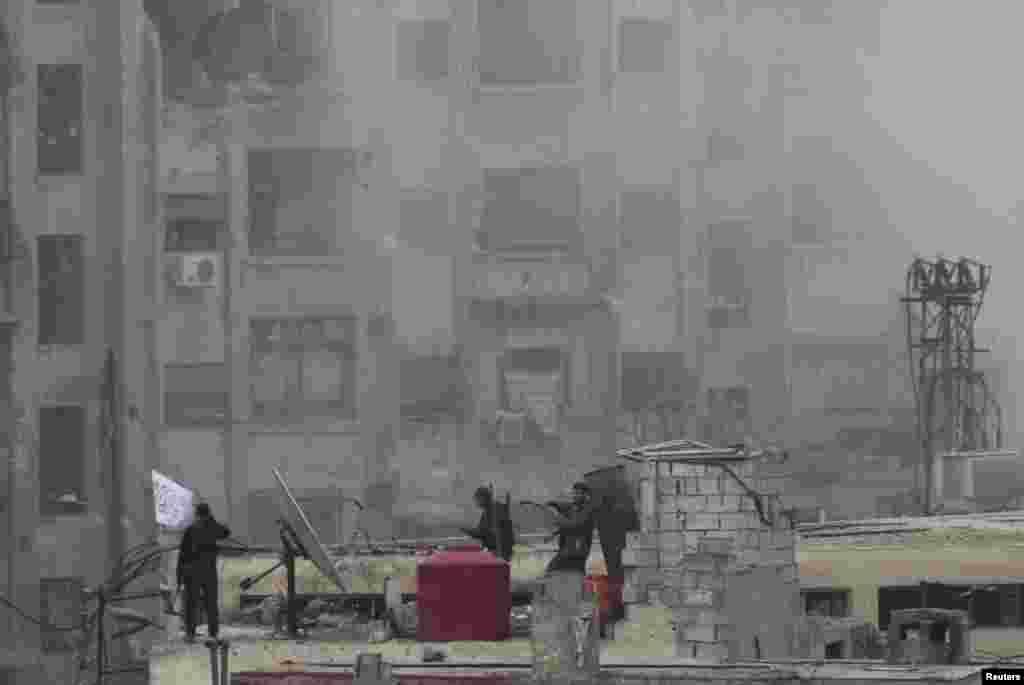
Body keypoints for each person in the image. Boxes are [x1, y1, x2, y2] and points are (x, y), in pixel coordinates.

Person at [176, 502, 231, 643]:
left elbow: (182, 555)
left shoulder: (191, 530)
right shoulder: (212, 528)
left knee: (191, 604)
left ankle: (190, 634)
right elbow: (225, 532)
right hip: (208, 572)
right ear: (207, 514)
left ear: (197, 515)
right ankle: (213, 633)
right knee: (210, 603)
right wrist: (212, 520)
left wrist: (179, 576)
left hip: (192, 572)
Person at [545, 482, 597, 575]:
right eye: (574, 493)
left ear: (585, 495)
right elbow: (560, 505)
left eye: (578, 493)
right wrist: (552, 504)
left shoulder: (588, 510)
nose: (575, 496)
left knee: (552, 571)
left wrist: (557, 516)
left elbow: (574, 525)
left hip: (577, 551)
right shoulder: (573, 507)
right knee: (575, 574)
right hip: (569, 550)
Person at [460, 486, 515, 561]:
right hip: (499, 550)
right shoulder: (492, 509)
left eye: (477, 499)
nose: (476, 502)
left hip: (499, 552)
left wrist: (466, 530)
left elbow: (483, 532)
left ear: (482, 498)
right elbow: (482, 531)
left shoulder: (494, 510)